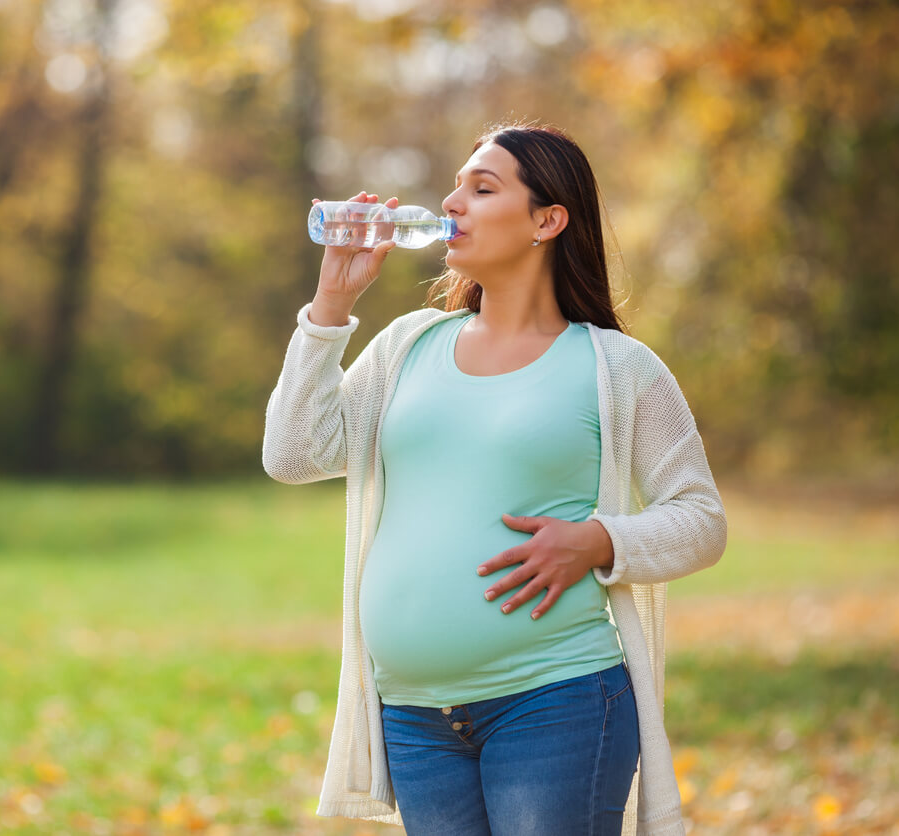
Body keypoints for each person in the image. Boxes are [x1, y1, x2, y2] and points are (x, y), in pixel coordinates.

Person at [262, 122, 727, 836]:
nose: (452, 203)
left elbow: (701, 518)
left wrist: (599, 541)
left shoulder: (615, 368)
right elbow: (293, 454)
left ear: (547, 219)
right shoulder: (406, 347)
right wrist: (331, 307)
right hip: (415, 718)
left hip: (557, 703)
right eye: (456, 186)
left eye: (482, 188)